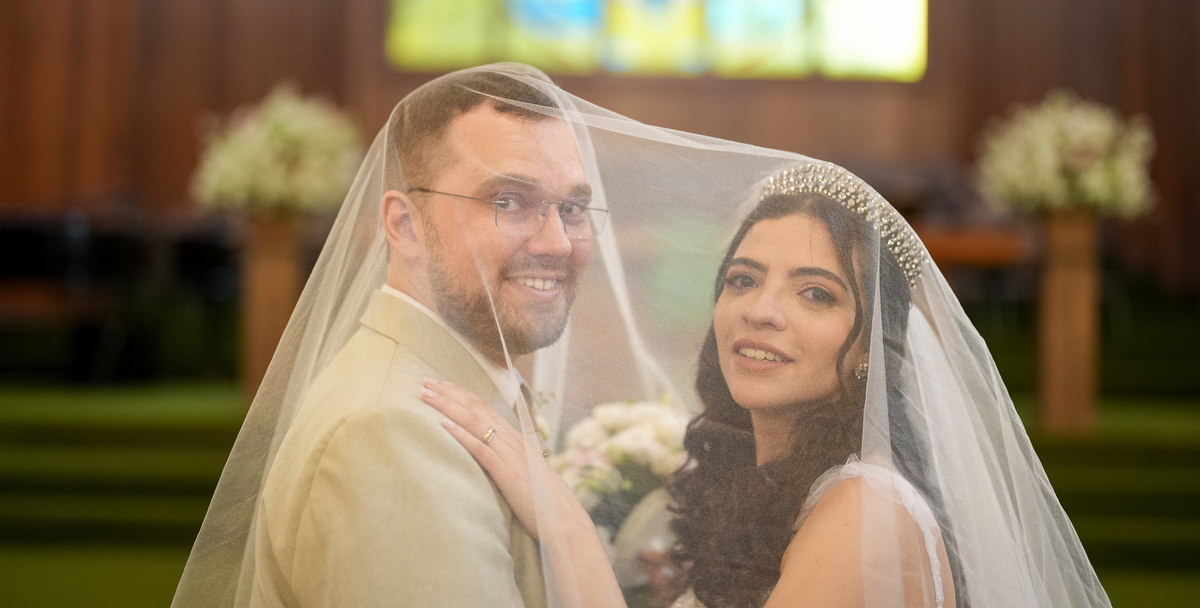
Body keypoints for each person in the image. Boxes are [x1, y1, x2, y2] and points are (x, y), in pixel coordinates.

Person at [423, 160, 1113, 607]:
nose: (761, 310)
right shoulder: (777, 487)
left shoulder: (866, 511)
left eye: (816, 294)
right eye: (743, 279)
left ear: (869, 347)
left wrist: (564, 525)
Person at [172, 63, 616, 607]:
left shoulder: (442, 392)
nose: (558, 242)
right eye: (508, 201)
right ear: (405, 226)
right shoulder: (390, 436)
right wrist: (577, 540)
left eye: (572, 208)